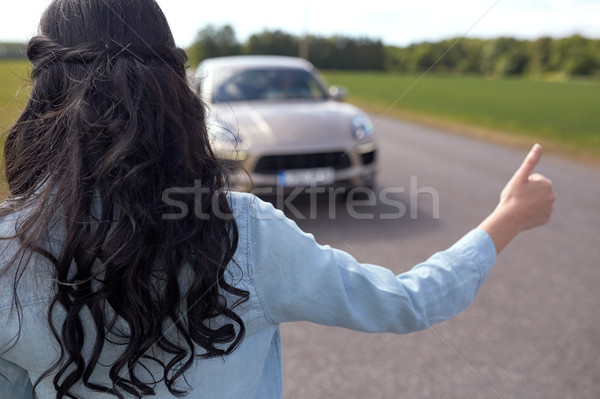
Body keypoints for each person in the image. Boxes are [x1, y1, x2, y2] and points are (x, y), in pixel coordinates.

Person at [0, 0, 555, 398]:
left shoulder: (8, 250)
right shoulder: (242, 233)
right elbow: (406, 302)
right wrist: (506, 218)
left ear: (45, 93)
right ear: (175, 91)